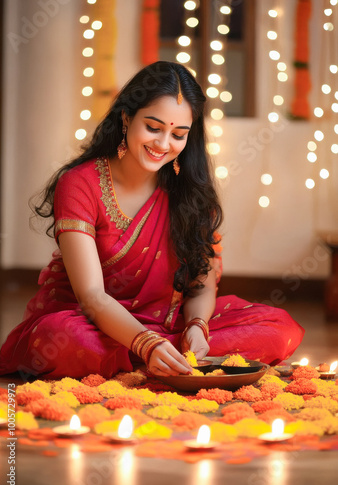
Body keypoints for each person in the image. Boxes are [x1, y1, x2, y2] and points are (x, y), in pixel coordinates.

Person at [0, 61, 304, 380]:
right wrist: (147, 344)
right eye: (153, 127)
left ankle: (163, 360)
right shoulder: (79, 184)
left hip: (171, 324)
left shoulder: (190, 193)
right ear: (127, 117)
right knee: (61, 338)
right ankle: (167, 362)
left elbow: (200, 287)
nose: (163, 144)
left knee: (279, 326)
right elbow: (92, 297)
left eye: (178, 134)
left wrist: (197, 328)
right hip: (93, 324)